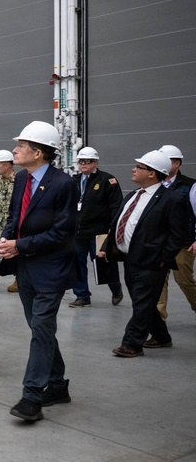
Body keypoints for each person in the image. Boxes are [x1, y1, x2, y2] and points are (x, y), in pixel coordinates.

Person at [0, 121, 77, 423]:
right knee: (40, 329)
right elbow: (15, 216)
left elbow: (62, 234)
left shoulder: (63, 184)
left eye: (21, 146)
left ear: (38, 152)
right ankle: (57, 385)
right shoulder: (21, 180)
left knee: (41, 328)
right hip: (25, 267)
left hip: (51, 269)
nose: (15, 150)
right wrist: (7, 241)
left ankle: (32, 397)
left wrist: (21, 245)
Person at [99, 150, 189, 357]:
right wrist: (106, 247)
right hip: (130, 259)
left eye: (139, 167)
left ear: (152, 173)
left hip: (152, 262)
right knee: (143, 302)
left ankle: (131, 344)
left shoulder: (171, 199)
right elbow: (118, 222)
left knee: (142, 303)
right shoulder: (134, 195)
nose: (134, 169)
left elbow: (178, 234)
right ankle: (161, 336)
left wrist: (163, 258)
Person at [69, 147, 124, 307]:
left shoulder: (107, 181)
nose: (84, 164)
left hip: (99, 232)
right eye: (81, 161)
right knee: (77, 264)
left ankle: (115, 289)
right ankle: (82, 295)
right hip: (78, 232)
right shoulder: (74, 180)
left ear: (95, 162)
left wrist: (111, 229)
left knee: (103, 262)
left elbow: (116, 207)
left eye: (87, 161)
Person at [155, 145, 196, 320]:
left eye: (167, 160)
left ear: (177, 163)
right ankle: (158, 324)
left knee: (184, 280)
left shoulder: (190, 186)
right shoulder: (155, 185)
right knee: (158, 282)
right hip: (159, 242)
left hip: (183, 243)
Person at [0, 149, 17, 294]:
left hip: (15, 222)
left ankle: (19, 279)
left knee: (16, 251)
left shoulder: (19, 180)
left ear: (7, 165)